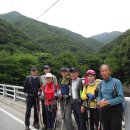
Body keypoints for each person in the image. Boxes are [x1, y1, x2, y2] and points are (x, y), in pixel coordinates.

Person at [97, 64, 124, 130]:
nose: (104, 72)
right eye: (102, 71)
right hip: (104, 110)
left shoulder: (116, 82)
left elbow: (121, 98)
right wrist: (98, 101)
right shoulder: (101, 83)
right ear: (100, 73)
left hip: (115, 110)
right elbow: (99, 95)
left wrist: (108, 102)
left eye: (106, 70)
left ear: (110, 71)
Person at [40, 65, 58, 130]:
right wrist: (40, 94)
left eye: (49, 78)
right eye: (47, 78)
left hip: (53, 102)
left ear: (52, 78)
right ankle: (48, 127)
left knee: (53, 116)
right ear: (45, 78)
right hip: (46, 102)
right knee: (47, 115)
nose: (48, 79)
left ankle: (53, 127)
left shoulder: (54, 83)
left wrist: (56, 96)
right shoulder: (43, 83)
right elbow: (41, 90)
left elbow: (57, 90)